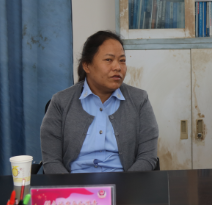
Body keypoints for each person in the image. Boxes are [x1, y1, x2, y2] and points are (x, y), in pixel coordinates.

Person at [40, 31, 159, 173]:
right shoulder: (60, 102)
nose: (117, 67)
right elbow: (51, 161)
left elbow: (147, 157)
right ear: (87, 66)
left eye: (122, 60)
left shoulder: (139, 100)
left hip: (126, 182)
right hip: (74, 183)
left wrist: (128, 184)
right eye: (109, 60)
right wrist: (71, 186)